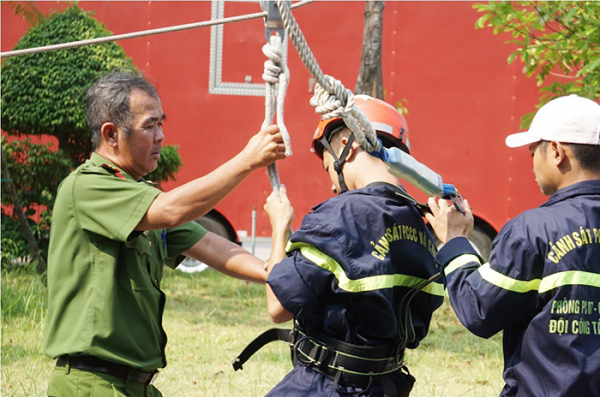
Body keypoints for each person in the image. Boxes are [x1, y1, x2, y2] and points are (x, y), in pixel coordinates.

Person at [42, 70, 287, 397]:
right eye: (149, 125)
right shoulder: (87, 186)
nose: (160, 136)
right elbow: (172, 210)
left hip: (135, 386)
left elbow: (213, 246)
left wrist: (278, 274)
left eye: (162, 124)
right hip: (93, 384)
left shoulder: (136, 194)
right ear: (111, 134)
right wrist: (247, 161)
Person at [262, 95, 444, 396]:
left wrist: (280, 226)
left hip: (325, 385)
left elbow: (277, 306)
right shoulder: (422, 223)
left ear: (348, 143)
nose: (333, 184)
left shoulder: (339, 215)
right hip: (386, 386)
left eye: (329, 168)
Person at [425, 94, 600, 397]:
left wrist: (454, 242)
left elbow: (480, 309)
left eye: (534, 151)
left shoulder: (534, 231)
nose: (531, 163)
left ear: (557, 152)